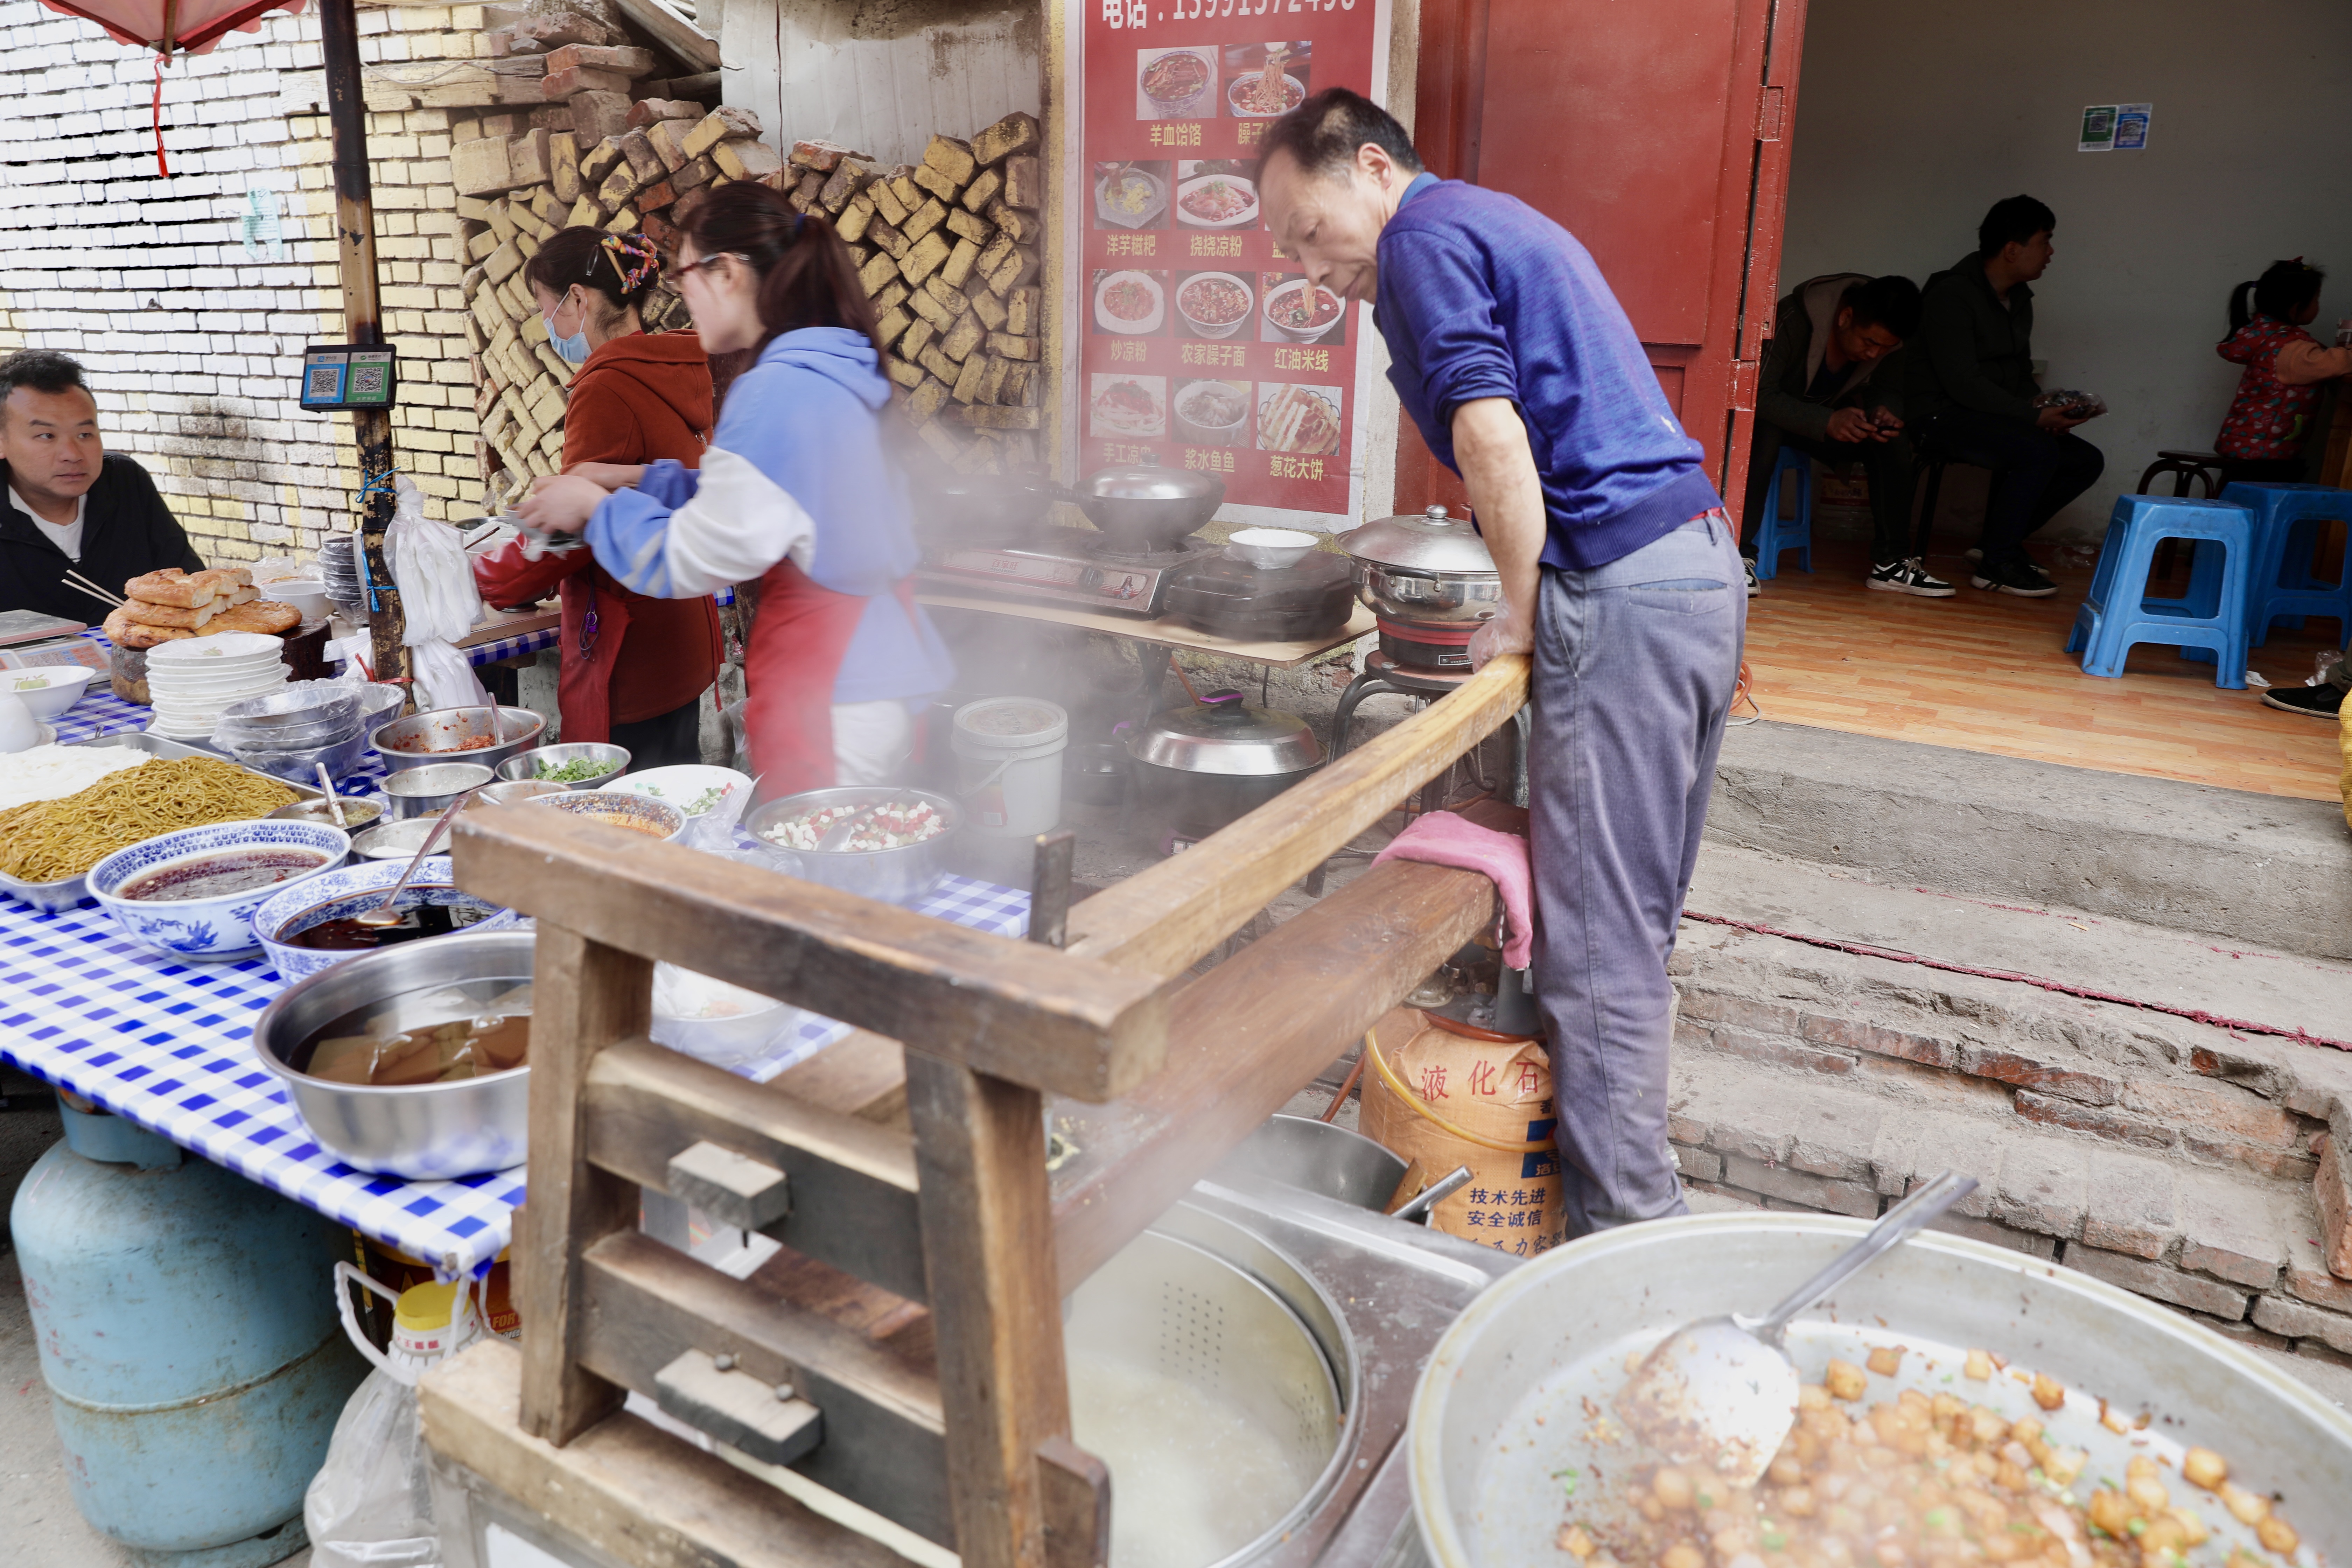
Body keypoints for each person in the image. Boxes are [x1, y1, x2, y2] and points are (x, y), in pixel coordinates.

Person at [1259, 89, 1744, 1236]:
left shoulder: (1423, 240)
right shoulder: (1484, 222)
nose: (1306, 266)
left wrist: (1521, 618)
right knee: (1634, 932)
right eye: (1286, 250)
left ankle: (1631, 1253)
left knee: (1599, 963)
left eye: (1306, 230)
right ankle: (1628, 1205)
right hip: (1696, 572)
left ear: (1372, 168)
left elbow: (1490, 434)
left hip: (1622, 593)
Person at [517, 184, 953, 793]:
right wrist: (640, 479)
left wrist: (594, 506)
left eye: (687, 276)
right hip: (881, 671)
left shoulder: (776, 388)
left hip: (834, 690)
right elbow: (773, 498)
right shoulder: (832, 361)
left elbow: (693, 558)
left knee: (819, 880)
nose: (682, 296)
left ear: (727, 274)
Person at [474, 230, 722, 770]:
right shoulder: (679, 366)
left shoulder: (606, 387)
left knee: (626, 820)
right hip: (681, 632)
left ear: (580, 300)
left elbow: (573, 530)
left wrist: (490, 579)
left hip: (628, 649)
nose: (548, 327)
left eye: (547, 309)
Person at [1905, 195, 2105, 598]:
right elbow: (1962, 381)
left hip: (1987, 414)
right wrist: (2030, 419)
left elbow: (2016, 373)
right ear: (2013, 250)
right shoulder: (1951, 294)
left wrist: (2049, 410)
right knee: (2035, 449)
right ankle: (1997, 563)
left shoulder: (2020, 299)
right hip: (1938, 415)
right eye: (2045, 241)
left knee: (2084, 460)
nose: (2051, 252)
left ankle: (1995, 544)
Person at [1744, 273, 1944, 596]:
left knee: (1889, 438)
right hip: (1772, 419)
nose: (1873, 354)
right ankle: (1738, 555)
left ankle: (1891, 564)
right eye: (1869, 343)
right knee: (1763, 432)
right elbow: (1759, 394)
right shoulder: (1793, 318)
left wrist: (1884, 410)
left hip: (1824, 422)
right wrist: (1826, 421)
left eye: (1884, 348)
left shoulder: (1887, 345)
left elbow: (1887, 389)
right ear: (1845, 316)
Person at [0, 349, 204, 619]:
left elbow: (189, 586)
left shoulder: (123, 481)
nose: (73, 455)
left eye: (85, 434)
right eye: (47, 435)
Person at [2213, 258, 2352, 492]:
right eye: (2317, 299)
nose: (2318, 305)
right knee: (2261, 509)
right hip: (2266, 456)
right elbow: (2336, 363)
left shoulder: (2266, 336)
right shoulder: (2291, 348)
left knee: (2239, 503)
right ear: (2296, 307)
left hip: (2248, 447)